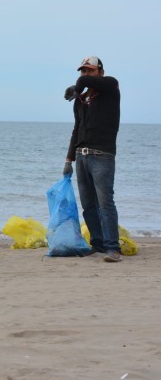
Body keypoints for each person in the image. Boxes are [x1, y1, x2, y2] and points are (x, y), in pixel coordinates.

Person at [63, 56, 121, 262]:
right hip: (82, 156)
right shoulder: (80, 101)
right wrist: (68, 160)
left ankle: (113, 248)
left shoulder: (111, 87)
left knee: (105, 203)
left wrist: (76, 87)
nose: (85, 74)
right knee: (88, 204)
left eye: (90, 70)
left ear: (100, 72)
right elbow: (76, 130)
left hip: (102, 156)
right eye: (82, 71)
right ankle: (98, 244)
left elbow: (83, 83)